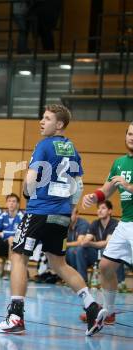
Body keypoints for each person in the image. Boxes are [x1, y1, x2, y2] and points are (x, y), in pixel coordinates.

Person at [0, 104, 107, 336]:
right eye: (42, 117)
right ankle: (92, 306)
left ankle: (15, 318)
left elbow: (31, 179)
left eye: (47, 118)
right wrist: (70, 209)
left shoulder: (44, 146)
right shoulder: (72, 149)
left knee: (19, 256)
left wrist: (27, 193)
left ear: (59, 124)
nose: (42, 121)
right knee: (58, 263)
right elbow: (78, 185)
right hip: (61, 214)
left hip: (39, 211)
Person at [82, 121, 133, 326]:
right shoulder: (119, 162)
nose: (131, 137)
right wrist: (95, 197)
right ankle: (109, 312)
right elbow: (107, 189)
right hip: (125, 223)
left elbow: (125, 186)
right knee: (105, 266)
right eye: (129, 133)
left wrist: (128, 186)